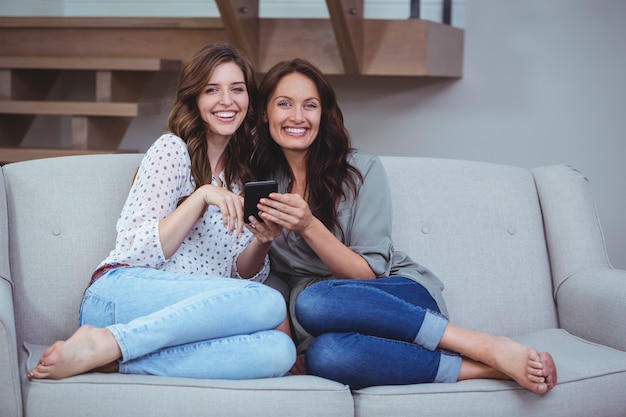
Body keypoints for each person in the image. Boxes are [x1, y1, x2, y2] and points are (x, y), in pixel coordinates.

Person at [249, 58, 557, 393]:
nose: (297, 116)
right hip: (325, 326)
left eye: (310, 105)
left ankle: (481, 344)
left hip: (396, 299)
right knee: (327, 356)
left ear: (323, 114)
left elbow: (366, 274)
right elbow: (269, 277)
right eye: (284, 104)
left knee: (314, 301)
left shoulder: (361, 170)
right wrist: (286, 343)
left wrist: (309, 225)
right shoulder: (258, 182)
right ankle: (488, 370)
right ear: (265, 113)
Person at [27, 44, 295, 381]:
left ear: (248, 100)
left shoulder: (243, 178)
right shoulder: (172, 150)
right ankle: (110, 337)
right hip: (119, 296)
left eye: (236, 89)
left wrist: (263, 241)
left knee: (278, 351)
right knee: (268, 303)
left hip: (183, 320)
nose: (227, 100)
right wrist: (201, 197)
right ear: (194, 99)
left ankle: (110, 355)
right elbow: (137, 252)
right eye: (212, 89)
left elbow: (237, 279)